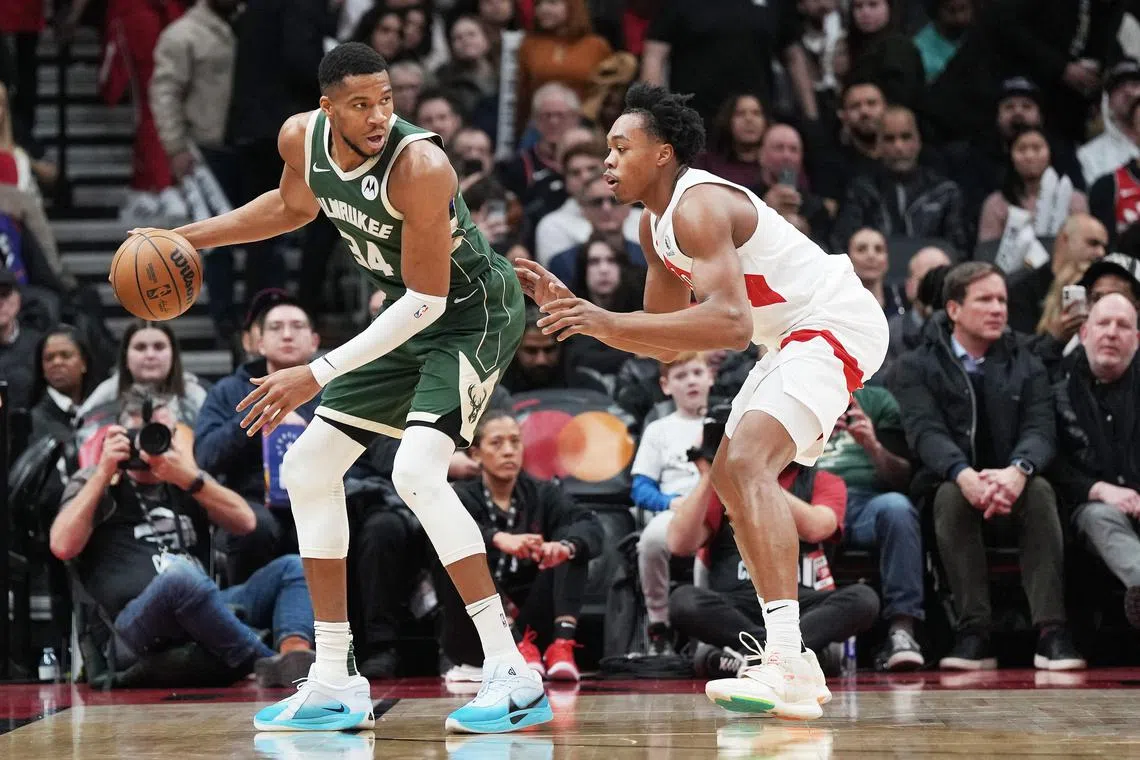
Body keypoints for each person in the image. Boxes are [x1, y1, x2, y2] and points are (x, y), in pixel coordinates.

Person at [136, 43, 549, 734]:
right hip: (406, 312)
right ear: (328, 108)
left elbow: (427, 299)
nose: (380, 115)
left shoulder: (420, 165)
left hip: (471, 311)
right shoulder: (302, 136)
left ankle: (511, 670)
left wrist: (317, 371)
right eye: (362, 104)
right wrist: (184, 238)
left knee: (419, 471)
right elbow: (290, 205)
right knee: (307, 467)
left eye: (386, 99)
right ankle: (333, 677)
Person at [516, 83, 889, 720]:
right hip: (791, 338)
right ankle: (791, 659)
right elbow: (665, 340)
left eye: (620, 145)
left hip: (833, 322)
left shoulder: (699, 205)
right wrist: (583, 317)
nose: (607, 159)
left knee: (746, 466)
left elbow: (729, 327)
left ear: (662, 154)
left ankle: (787, 657)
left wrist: (601, 321)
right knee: (729, 474)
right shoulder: (652, 223)